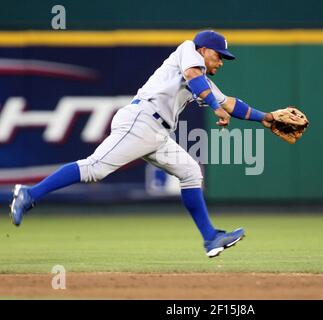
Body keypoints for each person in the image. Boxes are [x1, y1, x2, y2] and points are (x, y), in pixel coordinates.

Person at [9, 30, 274, 258]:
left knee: (191, 172)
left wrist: (267, 119)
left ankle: (210, 238)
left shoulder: (204, 83)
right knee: (95, 169)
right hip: (141, 120)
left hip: (157, 133)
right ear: (203, 50)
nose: (222, 62)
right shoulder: (187, 51)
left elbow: (230, 104)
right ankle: (29, 194)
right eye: (219, 56)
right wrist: (216, 107)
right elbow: (195, 77)